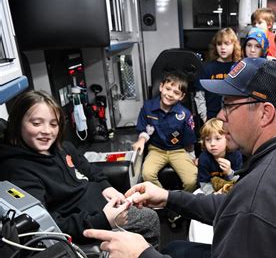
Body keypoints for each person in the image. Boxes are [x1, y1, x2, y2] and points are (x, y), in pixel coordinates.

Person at [85, 57, 276, 258]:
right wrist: (169, 198)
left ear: (265, 113)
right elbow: (235, 207)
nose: (220, 115)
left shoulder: (263, 191)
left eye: (229, 106)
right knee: (174, 252)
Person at [0, 90, 160, 246]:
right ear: (18, 123)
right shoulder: (19, 170)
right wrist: (103, 220)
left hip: (103, 206)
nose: (47, 131)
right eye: (36, 123)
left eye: (53, 124)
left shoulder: (64, 148)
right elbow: (45, 225)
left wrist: (106, 187)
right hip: (91, 222)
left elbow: (91, 171)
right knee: (149, 220)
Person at [132, 72, 197, 192]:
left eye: (176, 92)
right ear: (161, 87)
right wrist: (141, 140)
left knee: (192, 180)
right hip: (156, 149)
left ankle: (180, 201)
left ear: (181, 96)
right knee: (147, 174)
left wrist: (193, 157)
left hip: (178, 150)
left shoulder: (185, 114)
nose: (170, 94)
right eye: (168, 89)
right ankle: (163, 198)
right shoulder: (148, 107)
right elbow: (144, 130)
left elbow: (189, 140)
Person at [194, 27, 242, 123]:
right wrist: (205, 117)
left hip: (233, 117)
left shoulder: (239, 67)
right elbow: (199, 95)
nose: (222, 47)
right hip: (211, 117)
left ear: (234, 45)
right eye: (219, 44)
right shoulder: (207, 68)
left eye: (227, 44)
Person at [197, 118, 242, 194]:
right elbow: (204, 182)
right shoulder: (204, 158)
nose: (212, 144)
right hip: (212, 191)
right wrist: (213, 194)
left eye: (217, 138)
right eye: (208, 139)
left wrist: (229, 172)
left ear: (227, 139)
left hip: (231, 189)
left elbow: (240, 181)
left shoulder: (235, 155)